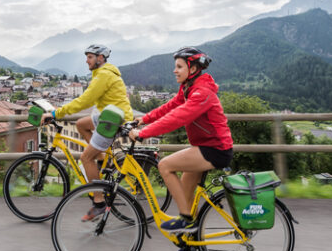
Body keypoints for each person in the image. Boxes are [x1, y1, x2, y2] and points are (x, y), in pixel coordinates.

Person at [129, 47, 233, 239]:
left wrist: (143, 133)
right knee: (185, 194)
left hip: (215, 150)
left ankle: (187, 221)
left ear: (192, 69)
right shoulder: (188, 88)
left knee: (165, 165)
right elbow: (170, 107)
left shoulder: (202, 93)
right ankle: (191, 240)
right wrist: (143, 119)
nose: (174, 70)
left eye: (179, 67)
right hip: (204, 147)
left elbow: (177, 117)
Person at [42, 44, 133, 221]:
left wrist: (55, 113)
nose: (86, 60)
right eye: (87, 57)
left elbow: (85, 101)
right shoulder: (102, 73)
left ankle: (99, 203)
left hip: (112, 119)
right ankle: (101, 159)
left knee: (85, 158)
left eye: (90, 57)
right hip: (109, 114)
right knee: (81, 124)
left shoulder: (104, 75)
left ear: (100, 58)